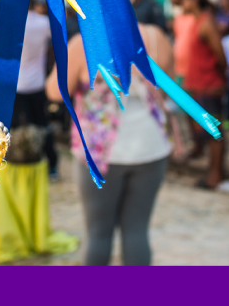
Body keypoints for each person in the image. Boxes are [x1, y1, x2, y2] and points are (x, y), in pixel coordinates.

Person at [47, 23, 172, 265]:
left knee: (98, 234)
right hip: (151, 144)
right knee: (137, 230)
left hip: (100, 151)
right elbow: (170, 83)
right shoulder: (154, 36)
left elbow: (54, 91)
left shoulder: (83, 44)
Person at [175, 0, 229, 189]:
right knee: (206, 132)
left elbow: (220, 56)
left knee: (214, 133)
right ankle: (213, 172)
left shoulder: (206, 22)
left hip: (210, 85)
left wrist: (219, 78)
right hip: (198, 85)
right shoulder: (196, 21)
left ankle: (216, 175)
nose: (182, 2)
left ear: (196, 0)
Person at [16, 0, 57, 177]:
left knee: (18, 127)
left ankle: (20, 163)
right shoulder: (43, 23)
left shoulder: (16, 24)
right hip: (38, 83)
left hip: (18, 84)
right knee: (43, 124)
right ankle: (52, 165)